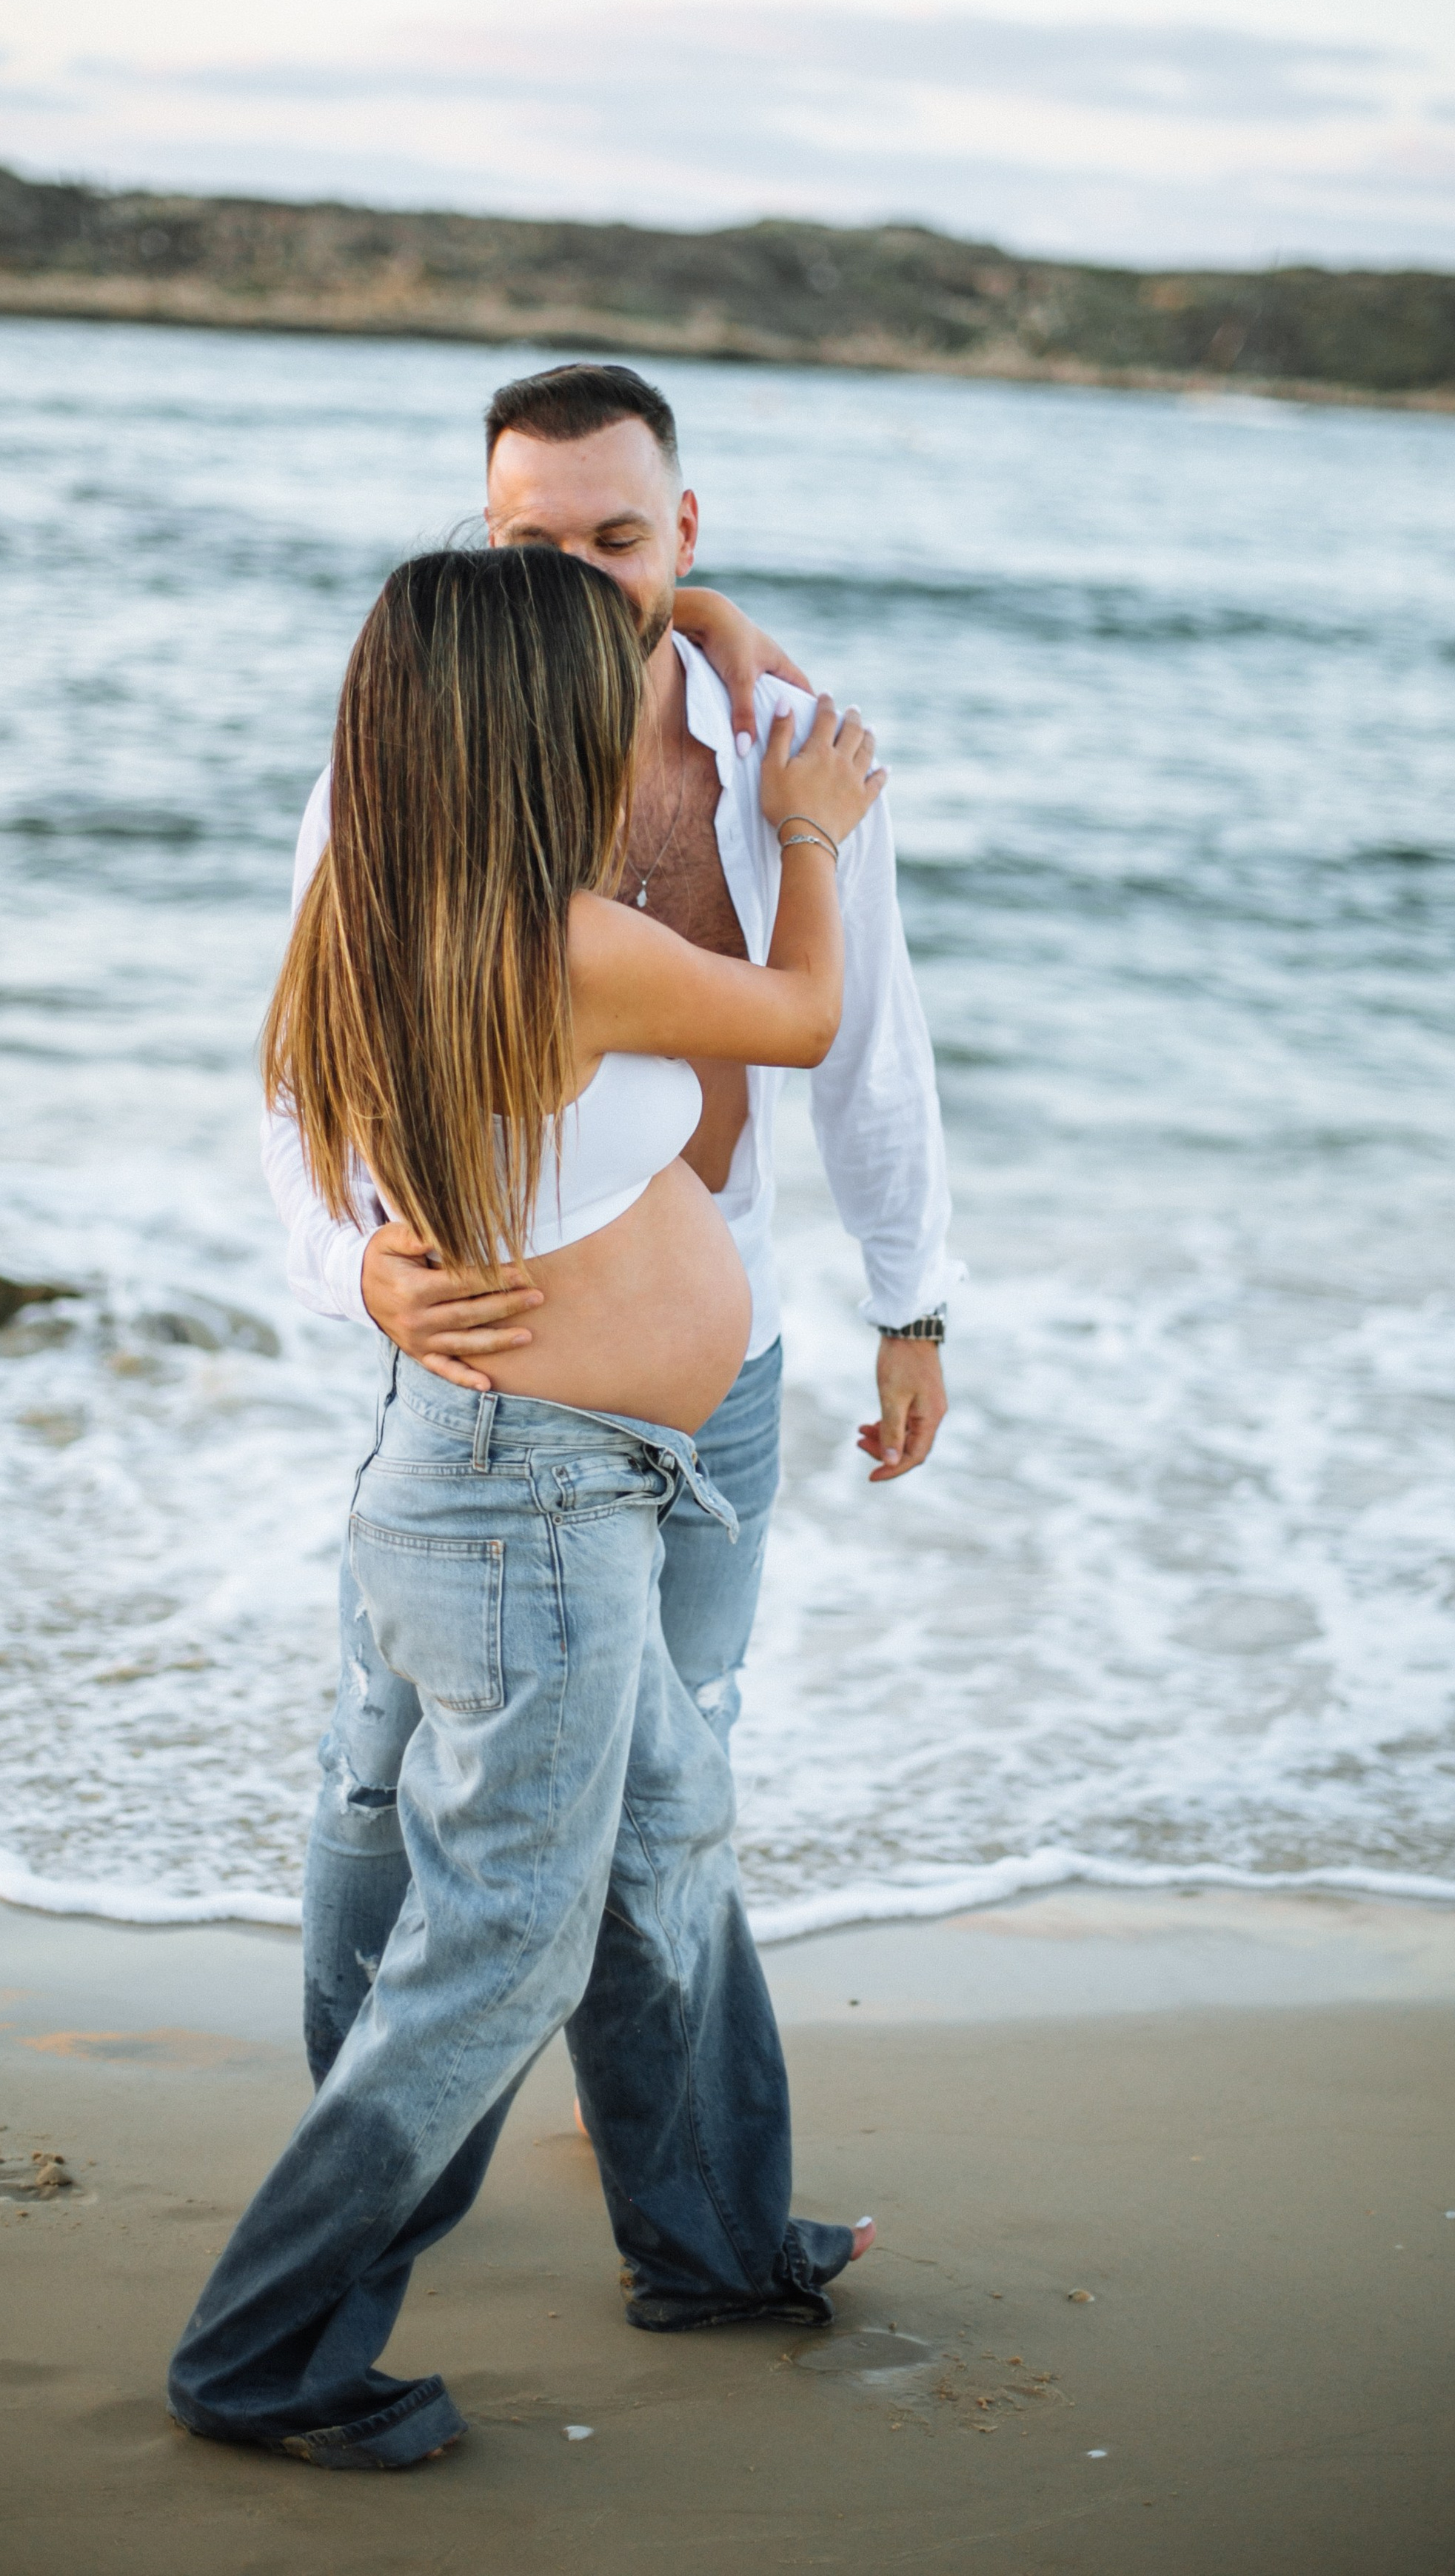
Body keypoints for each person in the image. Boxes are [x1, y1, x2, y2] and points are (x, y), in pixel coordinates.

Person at [169, 542, 885, 2468]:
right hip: (536, 1512)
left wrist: (724, 635)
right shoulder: (563, 941)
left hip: (496, 1478)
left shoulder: (373, 924)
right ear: (524, 734)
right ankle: (267, 2355)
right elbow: (807, 1014)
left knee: (667, 1830)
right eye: (600, 696)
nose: (630, 718)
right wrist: (806, 829)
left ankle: (720, 2244)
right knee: (505, 1946)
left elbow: (330, 1174)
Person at [272, 364, 954, 2089]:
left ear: (687, 530)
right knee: (382, 1749)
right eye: (532, 541)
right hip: (494, 1348)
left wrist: (910, 1302)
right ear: (482, 544)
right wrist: (350, 1265)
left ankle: (645, 2131)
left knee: (682, 1755)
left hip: (716, 1344)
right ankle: (360, 2100)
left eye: (622, 540)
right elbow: (299, 1070)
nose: (579, 578)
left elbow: (865, 1036)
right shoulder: (413, 771)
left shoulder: (790, 747)